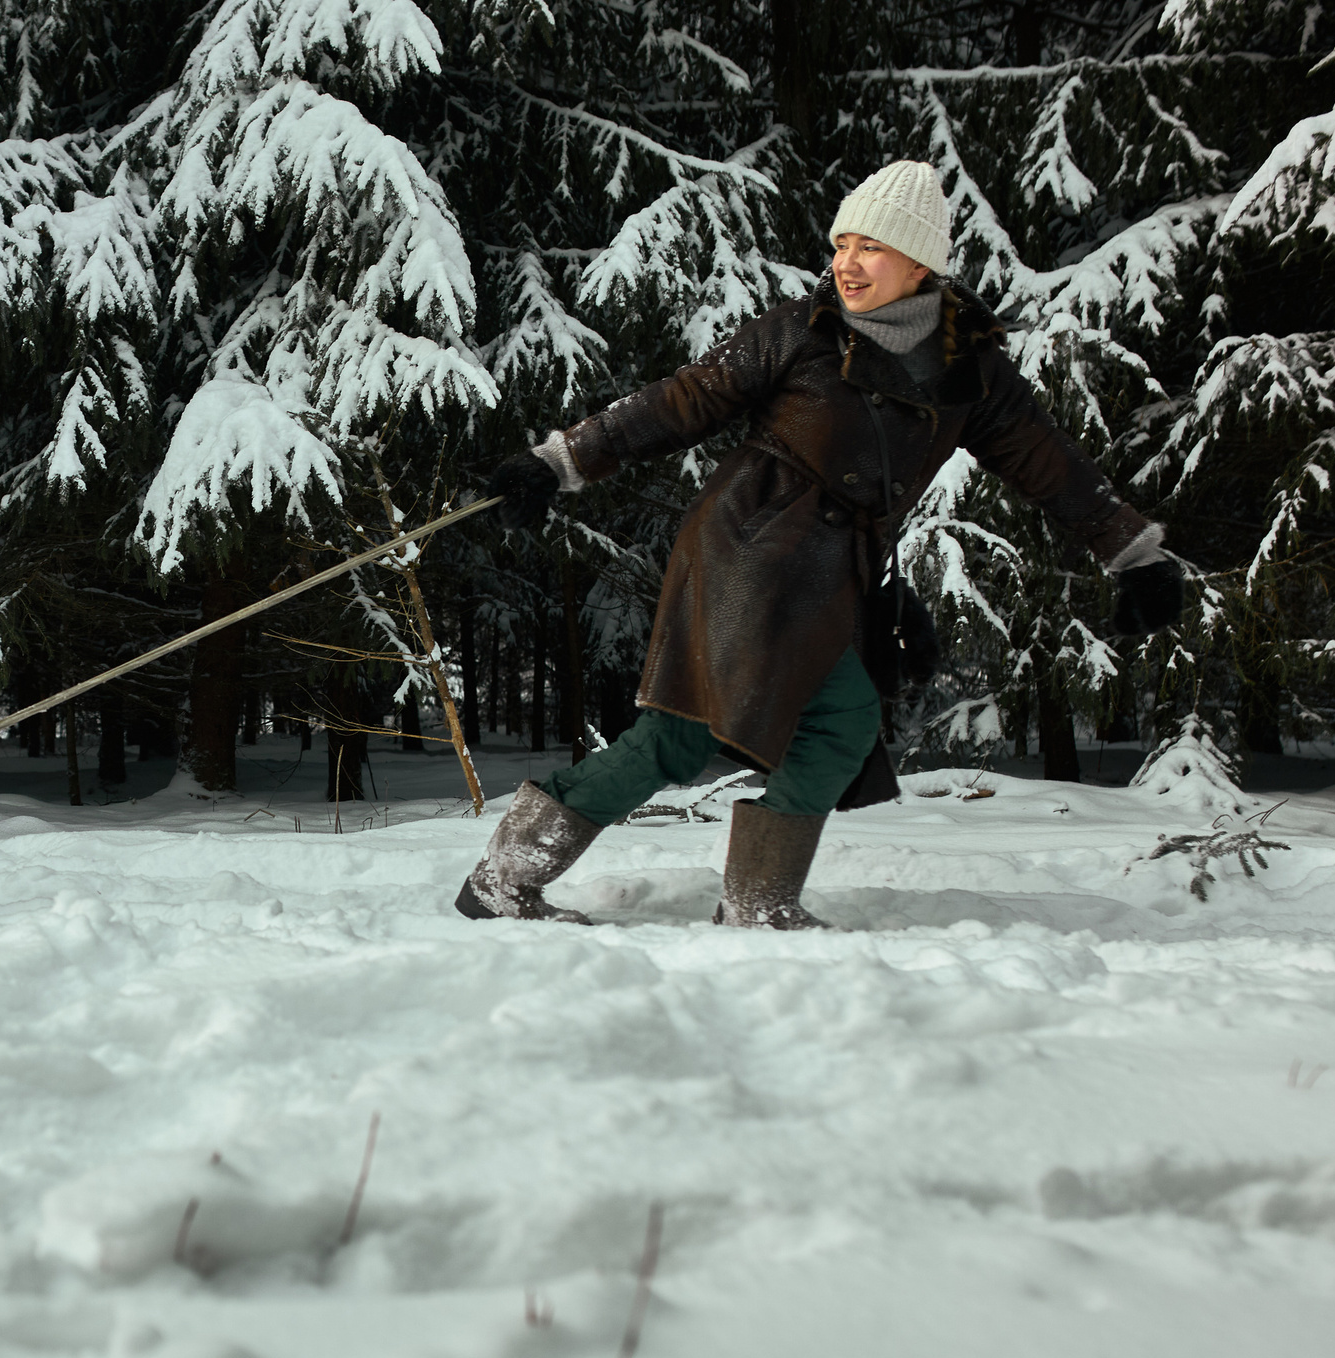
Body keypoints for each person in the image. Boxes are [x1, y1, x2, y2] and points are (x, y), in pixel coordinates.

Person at [466, 159, 1184, 928]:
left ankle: (510, 882)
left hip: (831, 573)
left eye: (869, 247)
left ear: (920, 262)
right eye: (841, 244)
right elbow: (681, 402)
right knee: (829, 719)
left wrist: (1131, 550)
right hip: (747, 551)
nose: (846, 263)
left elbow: (1049, 463)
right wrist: (558, 461)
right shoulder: (798, 332)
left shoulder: (968, 370)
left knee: (679, 736)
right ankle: (751, 902)